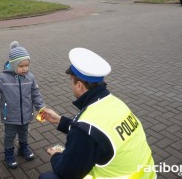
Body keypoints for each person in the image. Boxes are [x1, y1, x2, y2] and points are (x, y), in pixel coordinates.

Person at [39, 48, 156, 179]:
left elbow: (67, 172)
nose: (70, 85)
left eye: (71, 81)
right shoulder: (115, 102)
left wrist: (55, 156)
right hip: (147, 174)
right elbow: (98, 132)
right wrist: (60, 121)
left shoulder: (86, 128)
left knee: (47, 177)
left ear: (79, 85)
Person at [0, 41, 45, 169]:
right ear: (13, 65)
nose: (25, 69)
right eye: (21, 66)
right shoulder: (4, 78)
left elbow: (35, 93)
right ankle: (9, 154)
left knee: (24, 132)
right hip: (10, 115)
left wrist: (41, 107)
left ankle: (23, 148)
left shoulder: (30, 77)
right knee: (9, 135)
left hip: (25, 113)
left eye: (27, 65)